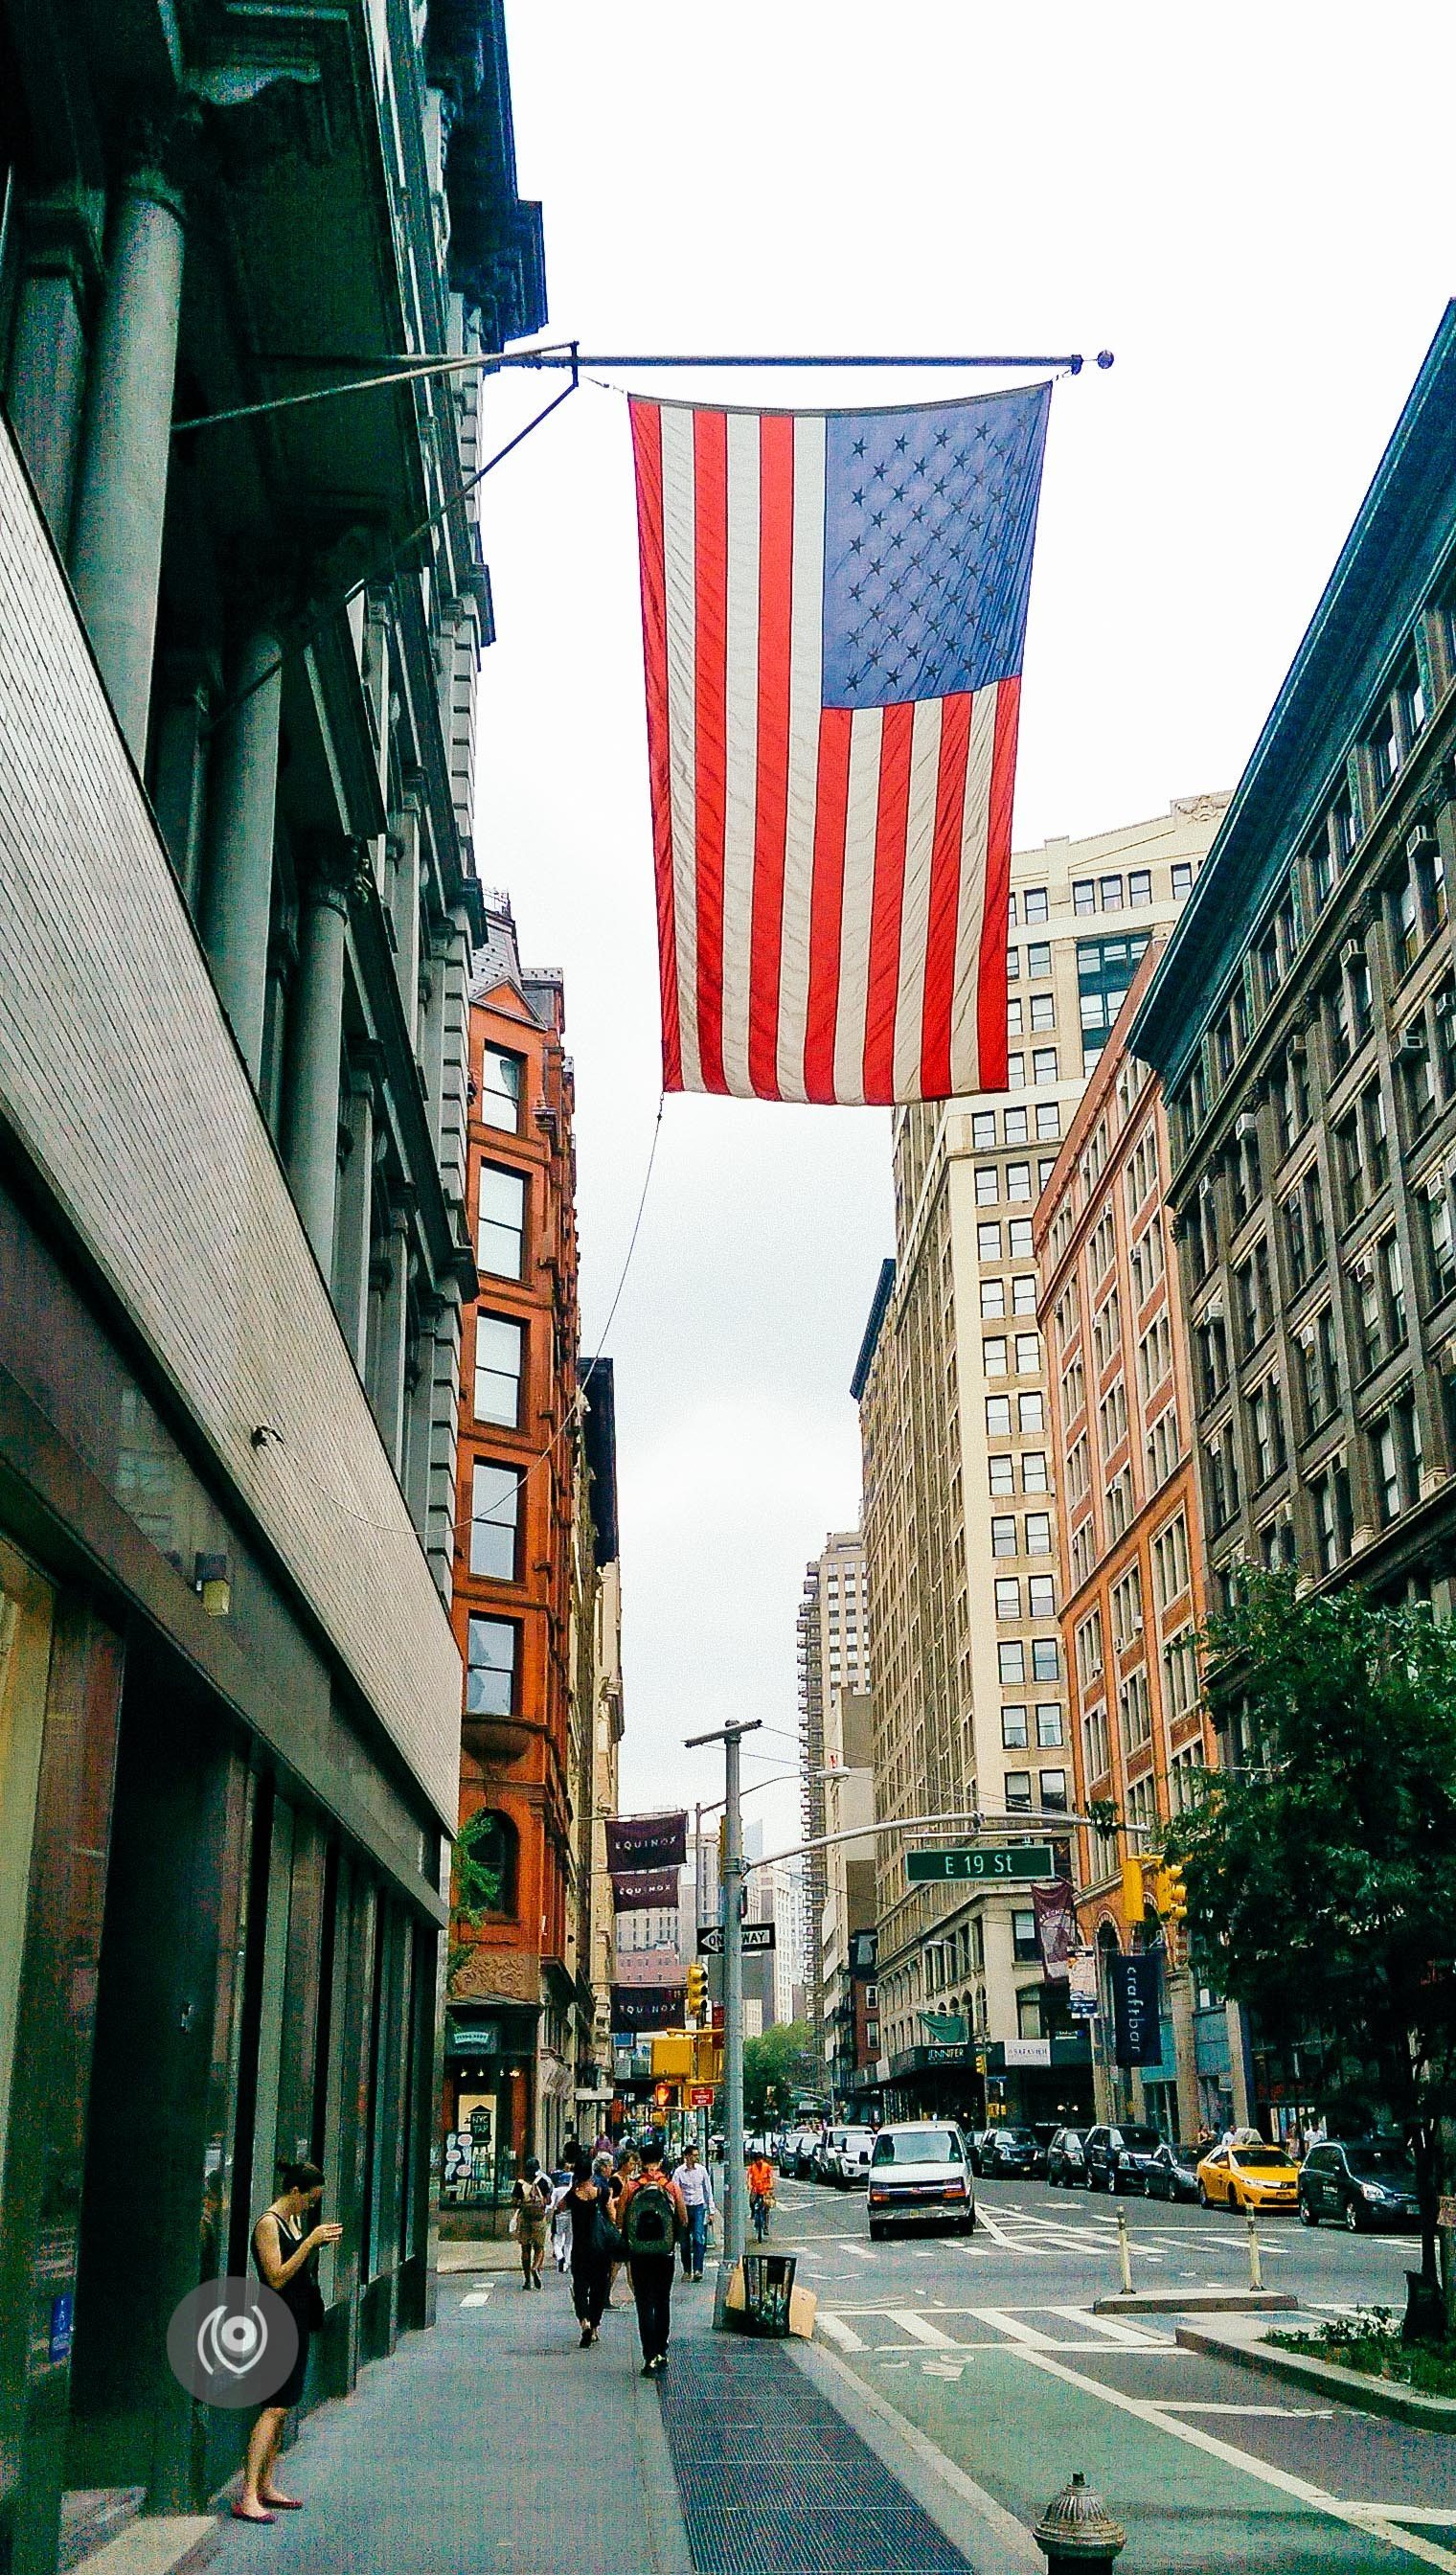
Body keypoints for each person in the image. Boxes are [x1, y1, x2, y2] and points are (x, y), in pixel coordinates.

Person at [237, 2159, 341, 2523]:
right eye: (310, 2199)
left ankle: (266, 2484)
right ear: (294, 2192)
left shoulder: (294, 2221)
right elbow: (276, 2277)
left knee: (285, 2405)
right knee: (275, 2406)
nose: (312, 2206)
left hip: (296, 2318)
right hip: (276, 2319)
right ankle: (248, 2493)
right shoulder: (268, 2224)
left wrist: (312, 2243)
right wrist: (309, 2243)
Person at [617, 2133, 686, 2378]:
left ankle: (648, 2356)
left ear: (641, 2161)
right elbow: (683, 2219)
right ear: (661, 2160)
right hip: (664, 2254)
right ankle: (661, 2349)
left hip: (639, 2254)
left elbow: (620, 2217)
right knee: (662, 2299)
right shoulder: (670, 2187)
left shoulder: (632, 2186)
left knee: (644, 2302)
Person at [671, 2141, 715, 2282]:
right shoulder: (678, 2172)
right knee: (684, 2242)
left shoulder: (702, 2170)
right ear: (687, 2157)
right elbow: (674, 2192)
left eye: (697, 2155)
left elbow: (708, 2190)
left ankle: (698, 2269)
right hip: (684, 2208)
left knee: (698, 2238)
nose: (696, 2158)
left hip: (698, 2207)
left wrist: (711, 2210)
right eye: (694, 2155)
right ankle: (687, 2270)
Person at [512, 2153, 550, 2290]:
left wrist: (522, 2203)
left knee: (525, 2248)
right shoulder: (542, 2182)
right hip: (539, 2218)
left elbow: (514, 2202)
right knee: (539, 2248)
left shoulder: (519, 2183)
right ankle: (536, 2267)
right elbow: (548, 2200)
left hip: (525, 2218)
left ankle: (527, 2280)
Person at [747, 2150, 774, 2242]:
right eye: (758, 2159)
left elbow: (770, 2177)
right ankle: (753, 2213)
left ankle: (765, 2227)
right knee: (751, 2201)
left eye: (761, 2159)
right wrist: (750, 2185)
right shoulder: (752, 2168)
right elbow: (750, 2178)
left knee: (766, 2208)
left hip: (765, 2189)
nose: (760, 2161)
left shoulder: (767, 2167)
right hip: (755, 2189)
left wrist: (770, 2186)